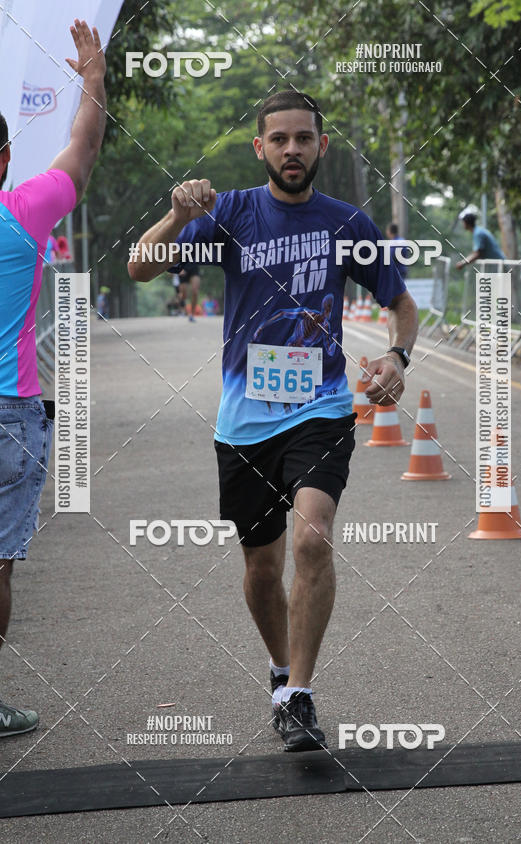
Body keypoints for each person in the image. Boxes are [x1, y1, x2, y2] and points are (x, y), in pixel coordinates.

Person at [128, 90, 418, 752]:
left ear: (321, 145)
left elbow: (401, 303)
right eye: (279, 139)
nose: (292, 149)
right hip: (244, 423)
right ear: (260, 148)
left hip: (319, 410)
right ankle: (281, 668)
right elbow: (140, 265)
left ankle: (300, 694)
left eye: (303, 138)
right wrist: (175, 216)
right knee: (262, 568)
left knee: (313, 540)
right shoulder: (229, 213)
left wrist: (399, 356)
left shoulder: (348, 224)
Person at [0, 19, 106, 740]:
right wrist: (91, 81)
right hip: (6, 414)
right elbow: (81, 154)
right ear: (0, 159)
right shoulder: (21, 212)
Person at [455, 204, 505, 269]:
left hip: (498, 266)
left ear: (466, 223)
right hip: (496, 265)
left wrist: (463, 263)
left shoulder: (478, 233)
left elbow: (477, 254)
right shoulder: (478, 231)